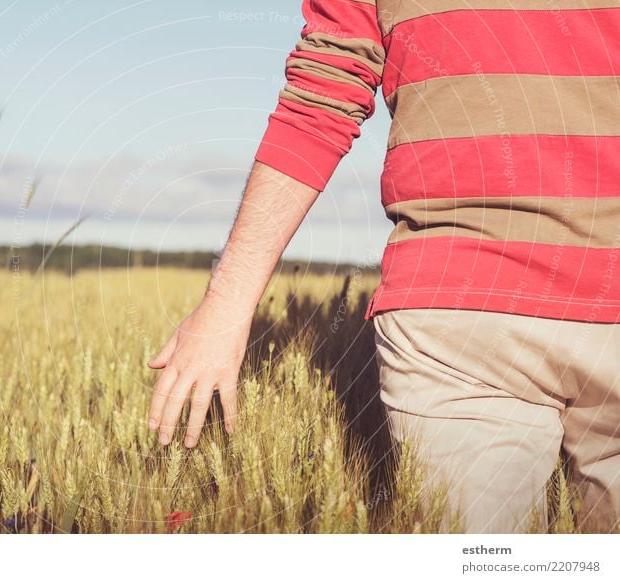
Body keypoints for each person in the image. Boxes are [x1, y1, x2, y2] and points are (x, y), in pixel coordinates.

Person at [146, 0, 620, 533]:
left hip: (453, 310)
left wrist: (227, 303)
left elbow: (320, 99)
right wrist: (226, 305)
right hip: (458, 321)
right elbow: (321, 96)